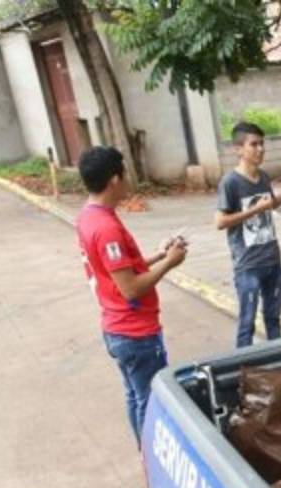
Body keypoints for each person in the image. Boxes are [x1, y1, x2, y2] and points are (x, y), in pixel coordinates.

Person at [76, 145, 188, 446]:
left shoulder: (89, 217)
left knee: (135, 396)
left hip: (116, 327)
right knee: (150, 401)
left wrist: (159, 254)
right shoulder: (106, 227)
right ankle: (152, 458)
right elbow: (130, 288)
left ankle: (144, 451)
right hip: (135, 331)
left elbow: (120, 270)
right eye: (124, 173)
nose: (127, 180)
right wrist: (170, 263)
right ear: (114, 179)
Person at [216, 121, 281, 347]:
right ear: (238, 149)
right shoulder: (230, 182)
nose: (260, 149)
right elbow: (220, 221)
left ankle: (279, 367)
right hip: (248, 266)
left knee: (273, 320)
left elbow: (270, 205)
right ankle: (242, 374)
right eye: (254, 144)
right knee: (247, 324)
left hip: (272, 261)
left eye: (262, 144)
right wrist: (254, 210)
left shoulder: (264, 177)